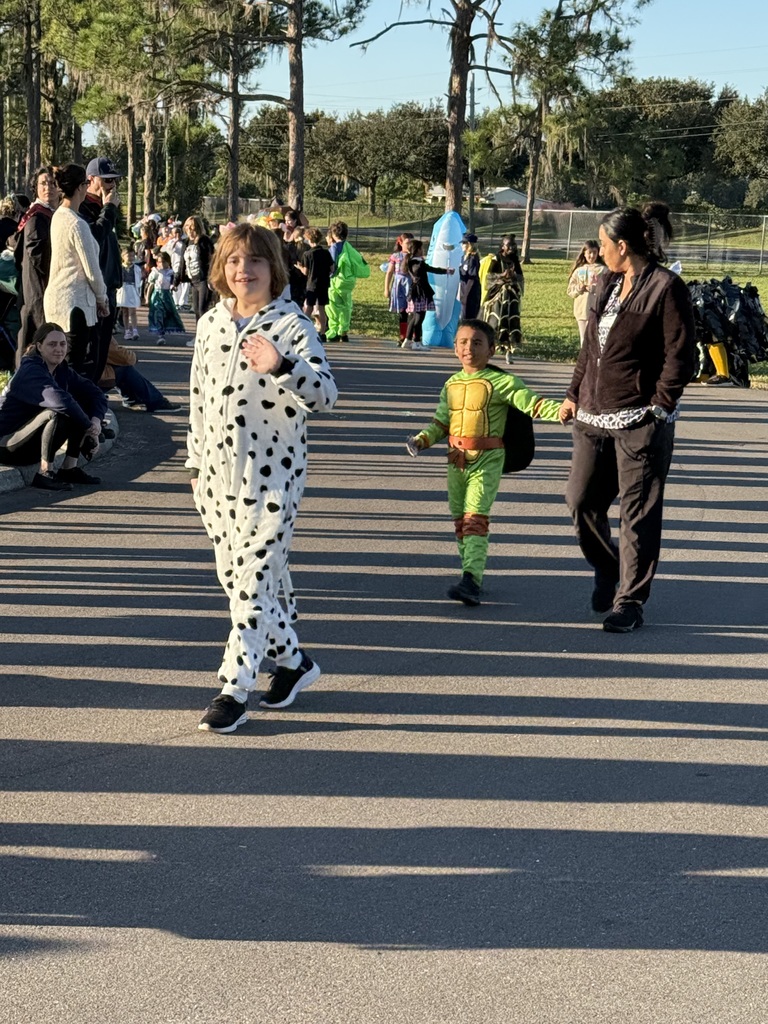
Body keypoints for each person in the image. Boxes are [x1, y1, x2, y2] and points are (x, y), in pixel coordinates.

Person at [187, 223, 338, 734]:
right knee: (237, 582)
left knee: (252, 584)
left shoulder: (292, 325)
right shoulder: (210, 324)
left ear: (273, 269)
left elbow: (326, 394)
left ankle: (233, 690)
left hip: (271, 478)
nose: (243, 270)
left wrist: (281, 364)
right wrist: (194, 464)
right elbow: (199, 398)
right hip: (216, 478)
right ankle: (294, 663)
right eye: (233, 260)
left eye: (254, 261)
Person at [558, 202, 695, 633]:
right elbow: (590, 348)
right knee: (581, 501)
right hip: (592, 416)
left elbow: (681, 354)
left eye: (602, 243)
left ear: (622, 245)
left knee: (637, 516)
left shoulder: (665, 287)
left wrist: (661, 406)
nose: (597, 251)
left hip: (641, 420)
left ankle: (630, 602)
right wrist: (573, 393)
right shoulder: (606, 282)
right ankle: (608, 566)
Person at [406, 319, 562, 606]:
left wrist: (564, 410)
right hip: (456, 460)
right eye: (463, 342)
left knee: (474, 518)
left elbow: (533, 403)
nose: (469, 348)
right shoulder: (451, 384)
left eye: (477, 343)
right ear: (455, 348)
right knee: (459, 519)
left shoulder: (503, 382)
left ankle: (471, 579)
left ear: (491, 350)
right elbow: (441, 422)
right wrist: (422, 440)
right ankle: (469, 573)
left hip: (488, 459)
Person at [0, 322, 106, 489]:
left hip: (32, 442)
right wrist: (89, 428)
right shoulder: (30, 370)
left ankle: (69, 468)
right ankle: (45, 473)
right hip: (7, 445)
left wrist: (96, 422)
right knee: (57, 412)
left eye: (62, 344)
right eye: (52, 344)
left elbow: (96, 394)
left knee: (80, 402)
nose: (58, 349)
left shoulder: (62, 370)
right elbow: (60, 401)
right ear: (39, 347)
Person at [44, 164, 109, 380]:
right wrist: (102, 298)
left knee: (59, 364)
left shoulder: (58, 216)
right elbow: (92, 270)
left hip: (58, 300)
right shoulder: (77, 224)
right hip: (75, 304)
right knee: (75, 366)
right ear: (82, 187)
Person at [79, 156, 122, 383]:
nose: (111, 184)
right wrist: (108, 209)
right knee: (91, 352)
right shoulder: (83, 207)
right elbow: (94, 238)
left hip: (111, 286)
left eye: (114, 180)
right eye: (106, 180)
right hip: (95, 290)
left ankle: (94, 394)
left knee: (102, 351)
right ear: (91, 179)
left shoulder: (107, 206)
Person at [14, 166, 58, 360]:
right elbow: (37, 254)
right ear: (36, 188)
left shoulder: (51, 213)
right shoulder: (36, 216)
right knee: (36, 341)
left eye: (52, 183)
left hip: (40, 287)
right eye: (43, 183)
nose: (48, 188)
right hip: (38, 287)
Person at [99, 337, 182, 414]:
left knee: (116, 367)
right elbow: (118, 354)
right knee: (124, 368)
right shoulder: (98, 330)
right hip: (94, 381)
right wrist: (133, 357)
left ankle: (131, 398)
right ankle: (156, 401)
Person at [402, 237, 454, 349]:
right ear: (417, 250)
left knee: (414, 317)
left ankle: (408, 340)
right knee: (419, 318)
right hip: (421, 293)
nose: (423, 250)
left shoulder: (410, 261)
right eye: (421, 248)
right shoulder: (418, 263)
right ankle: (416, 342)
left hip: (414, 292)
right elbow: (432, 269)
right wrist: (446, 271)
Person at [325, 220, 370, 343]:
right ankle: (343, 332)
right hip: (348, 281)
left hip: (336, 280)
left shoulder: (334, 248)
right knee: (346, 306)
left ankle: (333, 331)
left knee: (332, 306)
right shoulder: (349, 248)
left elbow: (332, 264)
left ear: (333, 234)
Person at [482, 234, 524, 360]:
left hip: (511, 294)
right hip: (497, 293)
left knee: (512, 317)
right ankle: (493, 343)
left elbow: (520, 277)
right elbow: (489, 278)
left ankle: (511, 345)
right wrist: (501, 276)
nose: (512, 247)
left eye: (514, 245)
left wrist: (514, 276)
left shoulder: (515, 260)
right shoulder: (496, 259)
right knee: (497, 317)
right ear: (503, 246)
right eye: (509, 245)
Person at [297, 226, 333, 341]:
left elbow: (306, 272)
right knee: (321, 308)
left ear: (309, 239)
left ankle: (304, 330)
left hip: (312, 284)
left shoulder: (307, 254)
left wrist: (299, 267)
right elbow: (332, 268)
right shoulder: (326, 253)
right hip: (324, 283)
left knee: (309, 308)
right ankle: (323, 332)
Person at [567, 240, 605, 346]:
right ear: (584, 253)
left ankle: (595, 356)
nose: (592, 255)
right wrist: (579, 289)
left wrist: (595, 288)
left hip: (596, 310)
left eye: (594, 252)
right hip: (581, 310)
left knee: (594, 338)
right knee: (583, 338)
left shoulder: (603, 270)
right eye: (589, 252)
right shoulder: (579, 271)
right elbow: (570, 290)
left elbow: (607, 289)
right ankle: (585, 356)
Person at [179, 216, 215, 325]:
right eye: (187, 229)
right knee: (196, 310)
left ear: (198, 228)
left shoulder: (205, 241)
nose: (190, 232)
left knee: (202, 309)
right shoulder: (186, 243)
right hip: (193, 280)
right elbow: (182, 262)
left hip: (204, 279)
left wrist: (211, 278)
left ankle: (206, 332)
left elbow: (212, 260)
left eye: (192, 229)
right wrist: (177, 279)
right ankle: (199, 333)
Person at [147, 252, 185, 345]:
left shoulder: (170, 273)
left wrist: (173, 287)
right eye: (160, 262)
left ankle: (164, 330)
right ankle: (160, 335)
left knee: (166, 314)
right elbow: (151, 285)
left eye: (164, 262)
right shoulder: (156, 272)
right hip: (157, 295)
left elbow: (172, 284)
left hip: (166, 295)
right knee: (158, 313)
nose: (162, 264)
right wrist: (147, 298)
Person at [383, 233, 414, 345]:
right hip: (399, 286)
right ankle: (403, 336)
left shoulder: (414, 257)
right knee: (402, 312)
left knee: (412, 312)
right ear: (401, 243)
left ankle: (412, 336)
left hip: (411, 286)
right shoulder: (396, 256)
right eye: (407, 243)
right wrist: (386, 289)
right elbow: (389, 272)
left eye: (412, 243)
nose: (410, 245)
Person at [116, 248, 141, 340]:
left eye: (132, 256)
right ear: (123, 257)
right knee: (125, 311)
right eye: (128, 256)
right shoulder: (120, 267)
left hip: (132, 289)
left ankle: (135, 330)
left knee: (132, 311)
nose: (131, 258)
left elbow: (138, 279)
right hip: (123, 289)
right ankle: (127, 330)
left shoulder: (136, 268)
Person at [459, 232, 481, 320]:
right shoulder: (464, 257)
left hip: (471, 292)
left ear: (469, 244)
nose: (462, 245)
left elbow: (472, 278)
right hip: (463, 289)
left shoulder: (473, 258)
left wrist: (466, 296)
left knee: (469, 317)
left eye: (464, 243)